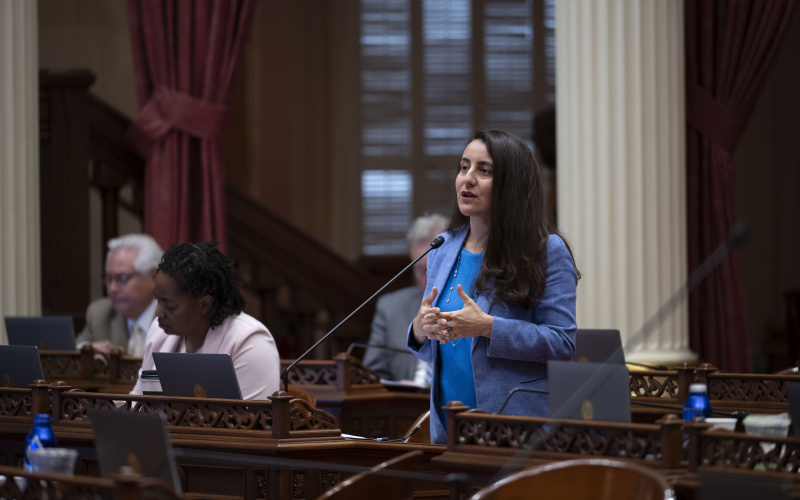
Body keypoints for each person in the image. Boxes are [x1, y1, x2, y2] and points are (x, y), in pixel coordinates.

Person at [408, 129, 579, 445]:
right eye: (464, 167)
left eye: (483, 171)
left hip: (514, 430)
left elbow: (561, 344)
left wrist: (488, 327)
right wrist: (421, 329)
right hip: (448, 428)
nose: (467, 179)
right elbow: (444, 351)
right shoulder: (443, 247)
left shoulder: (546, 250)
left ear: (510, 184)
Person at [130, 242, 280, 400]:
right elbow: (137, 401)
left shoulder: (250, 343)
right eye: (158, 300)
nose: (158, 312)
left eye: (170, 306)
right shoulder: (159, 331)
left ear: (204, 305)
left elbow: (250, 415)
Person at [362, 214, 447, 385]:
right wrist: (399, 390)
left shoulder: (474, 307)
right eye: (421, 270)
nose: (429, 278)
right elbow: (371, 376)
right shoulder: (390, 307)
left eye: (435, 267)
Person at [76, 234, 163, 357]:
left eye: (122, 278)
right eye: (109, 278)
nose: (112, 288)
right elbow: (72, 352)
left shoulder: (173, 316)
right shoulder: (100, 314)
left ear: (154, 277)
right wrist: (86, 353)